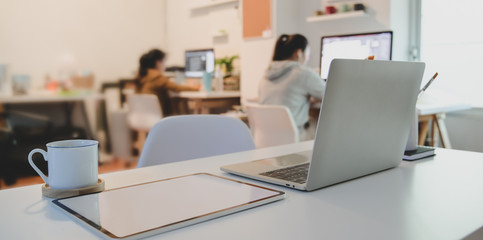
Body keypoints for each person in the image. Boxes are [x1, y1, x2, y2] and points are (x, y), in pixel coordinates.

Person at [258, 34, 326, 141]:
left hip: (267, 139)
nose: (307, 58)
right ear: (299, 53)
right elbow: (330, 94)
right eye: (307, 53)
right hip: (294, 138)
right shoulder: (303, 73)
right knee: (320, 122)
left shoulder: (267, 73)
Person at [135, 49, 197, 116]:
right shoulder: (157, 77)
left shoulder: (141, 76)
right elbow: (176, 88)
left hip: (142, 116)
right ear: (158, 62)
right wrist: (196, 88)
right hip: (155, 117)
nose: (165, 65)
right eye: (164, 62)